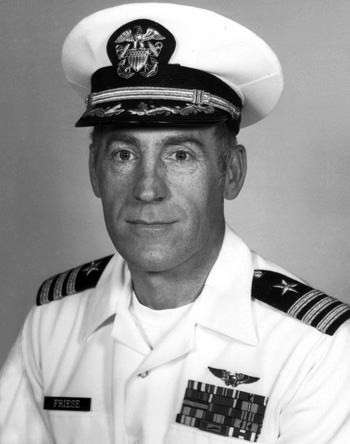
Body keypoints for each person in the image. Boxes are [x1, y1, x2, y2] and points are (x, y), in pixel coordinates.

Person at [0, 3, 349, 444]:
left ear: (232, 172)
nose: (148, 189)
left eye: (180, 155)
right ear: (94, 170)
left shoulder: (316, 349)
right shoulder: (51, 322)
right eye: (123, 154)